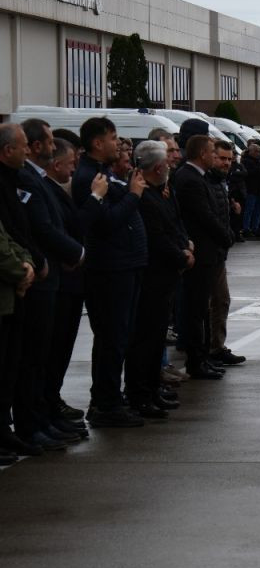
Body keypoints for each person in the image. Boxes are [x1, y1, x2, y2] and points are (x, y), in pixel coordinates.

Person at [73, 116, 148, 429]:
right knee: (111, 337)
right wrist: (133, 195)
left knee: (119, 336)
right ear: (97, 143)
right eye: (114, 137)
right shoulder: (88, 177)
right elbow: (106, 222)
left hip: (125, 264)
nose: (119, 143)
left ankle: (108, 398)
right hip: (109, 268)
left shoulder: (104, 173)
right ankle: (106, 403)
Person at [16, 119, 89, 441]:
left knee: (45, 356)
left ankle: (42, 418)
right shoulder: (27, 179)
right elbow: (40, 229)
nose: (52, 142)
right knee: (34, 359)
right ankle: (33, 424)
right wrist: (77, 254)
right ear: (35, 147)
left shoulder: (38, 179)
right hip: (43, 278)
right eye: (47, 140)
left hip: (54, 275)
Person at [124, 141, 192, 417]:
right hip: (152, 276)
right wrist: (182, 256)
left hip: (165, 276)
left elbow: (174, 224)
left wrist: (186, 244)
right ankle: (139, 393)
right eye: (167, 160)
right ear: (158, 167)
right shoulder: (145, 197)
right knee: (145, 339)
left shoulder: (160, 192)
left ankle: (151, 388)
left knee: (155, 339)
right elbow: (157, 237)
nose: (171, 164)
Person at [172, 134, 233, 381]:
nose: (215, 156)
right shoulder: (190, 179)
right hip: (203, 251)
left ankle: (204, 357)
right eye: (211, 151)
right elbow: (204, 216)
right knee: (196, 309)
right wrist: (226, 235)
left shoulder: (200, 177)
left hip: (210, 251)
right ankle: (196, 361)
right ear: (201, 154)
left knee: (203, 309)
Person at [40, 138, 89, 427]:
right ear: (56, 164)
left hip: (69, 278)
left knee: (61, 347)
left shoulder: (56, 189)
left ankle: (51, 400)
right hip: (60, 277)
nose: (74, 168)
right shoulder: (44, 188)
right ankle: (44, 408)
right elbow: (53, 229)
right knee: (51, 349)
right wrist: (77, 253)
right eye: (71, 163)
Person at [0, 217, 37, 461]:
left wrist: (27, 264)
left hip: (8, 301)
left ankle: (3, 431)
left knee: (7, 371)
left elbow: (10, 240)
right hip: (6, 293)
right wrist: (20, 272)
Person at [207, 140, 246, 366]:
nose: (226, 163)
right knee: (215, 301)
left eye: (230, 159)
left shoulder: (221, 182)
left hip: (219, 251)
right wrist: (228, 235)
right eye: (222, 158)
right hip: (209, 251)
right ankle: (211, 348)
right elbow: (207, 216)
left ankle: (215, 346)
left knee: (221, 300)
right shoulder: (204, 181)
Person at [241, 141, 260, 237]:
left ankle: (255, 228)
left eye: (259, 151)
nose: (258, 153)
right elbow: (248, 174)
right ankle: (246, 228)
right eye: (256, 151)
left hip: (259, 189)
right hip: (251, 189)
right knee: (249, 210)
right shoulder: (246, 161)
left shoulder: (258, 161)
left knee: (258, 210)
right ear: (250, 151)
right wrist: (259, 168)